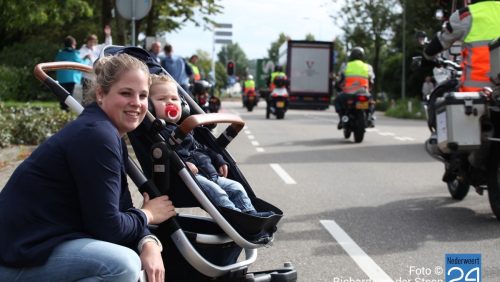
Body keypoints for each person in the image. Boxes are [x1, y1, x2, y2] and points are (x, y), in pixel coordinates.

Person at [0, 53, 176, 282]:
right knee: (123, 265)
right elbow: (110, 229)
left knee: (126, 259)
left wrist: (148, 242)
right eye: (126, 93)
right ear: (101, 95)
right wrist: (148, 214)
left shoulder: (106, 131)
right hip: (16, 258)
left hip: (36, 246)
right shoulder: (97, 135)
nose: (137, 102)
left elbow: (121, 207)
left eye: (143, 95)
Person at [149, 74, 273, 217]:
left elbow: (202, 149)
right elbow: (165, 156)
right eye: (161, 99)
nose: (170, 103)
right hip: (188, 179)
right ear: (150, 106)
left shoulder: (185, 128)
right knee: (218, 193)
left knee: (237, 187)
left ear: (183, 104)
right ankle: (237, 217)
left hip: (210, 174)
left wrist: (218, 159)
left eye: (174, 99)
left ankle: (250, 214)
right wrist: (183, 164)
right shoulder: (159, 133)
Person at [424, 0, 500, 92]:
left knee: (441, 100)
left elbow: (441, 41)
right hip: (494, 94)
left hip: (475, 95)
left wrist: (427, 55)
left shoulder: (466, 15)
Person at [334, 46, 375, 129]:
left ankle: (342, 119)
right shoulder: (368, 67)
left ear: (352, 56)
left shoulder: (346, 66)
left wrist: (337, 85)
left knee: (337, 100)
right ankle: (370, 118)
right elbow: (372, 81)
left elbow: (340, 79)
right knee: (371, 102)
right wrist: (369, 89)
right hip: (364, 92)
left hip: (349, 93)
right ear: (363, 56)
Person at [54, 35, 86, 111]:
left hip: (61, 78)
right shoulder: (74, 53)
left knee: (62, 93)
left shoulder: (60, 53)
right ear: (72, 45)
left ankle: (63, 109)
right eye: (75, 44)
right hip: (72, 78)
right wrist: (87, 59)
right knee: (69, 95)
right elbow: (81, 64)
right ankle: (66, 109)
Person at [79, 25, 113, 94]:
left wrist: (108, 35)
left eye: (93, 42)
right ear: (87, 41)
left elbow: (108, 45)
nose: (92, 43)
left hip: (96, 76)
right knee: (86, 95)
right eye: (90, 41)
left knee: (95, 95)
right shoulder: (82, 50)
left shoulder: (97, 48)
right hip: (86, 76)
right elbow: (78, 61)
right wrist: (85, 57)